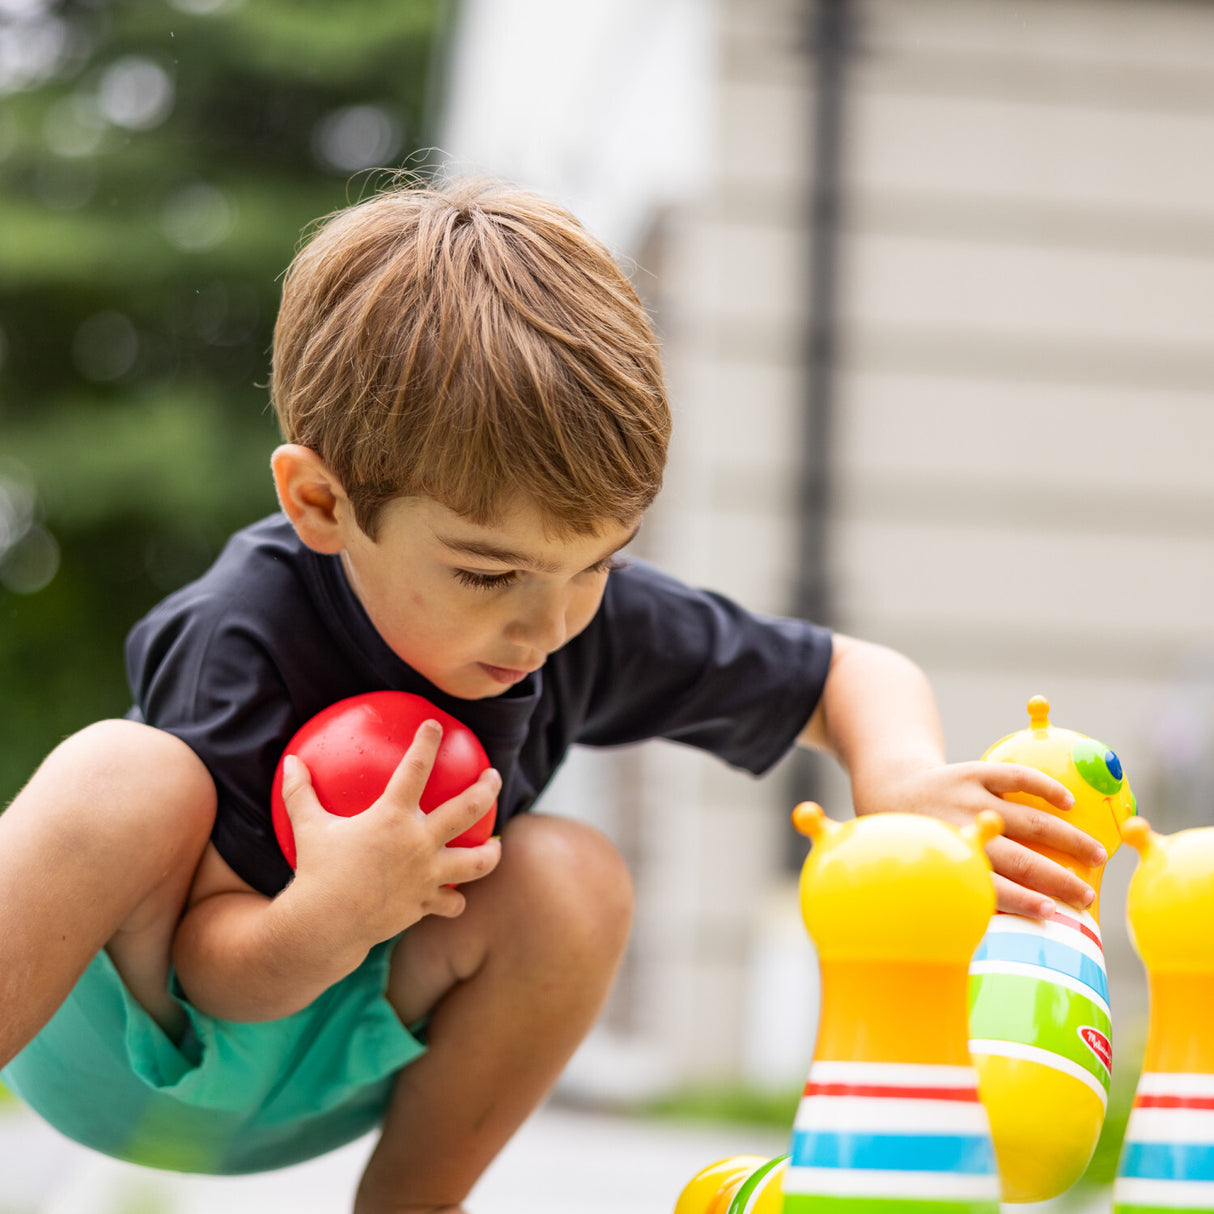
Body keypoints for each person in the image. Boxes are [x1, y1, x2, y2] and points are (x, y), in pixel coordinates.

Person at [0, 178, 1107, 1213]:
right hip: (135, 1045)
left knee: (574, 878)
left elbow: (848, 673)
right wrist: (330, 913)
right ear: (323, 503)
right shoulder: (246, 630)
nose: (546, 626)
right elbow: (213, 971)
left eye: (597, 563)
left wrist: (900, 780)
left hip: (333, 1067)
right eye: (487, 575)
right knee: (120, 773)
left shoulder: (574, 614)